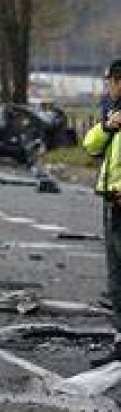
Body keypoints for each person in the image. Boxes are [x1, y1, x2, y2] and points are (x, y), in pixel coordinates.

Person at [82, 59, 121, 367]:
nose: (108, 87)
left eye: (110, 81)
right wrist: (108, 125)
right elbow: (91, 146)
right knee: (116, 277)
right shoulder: (113, 111)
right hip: (111, 202)